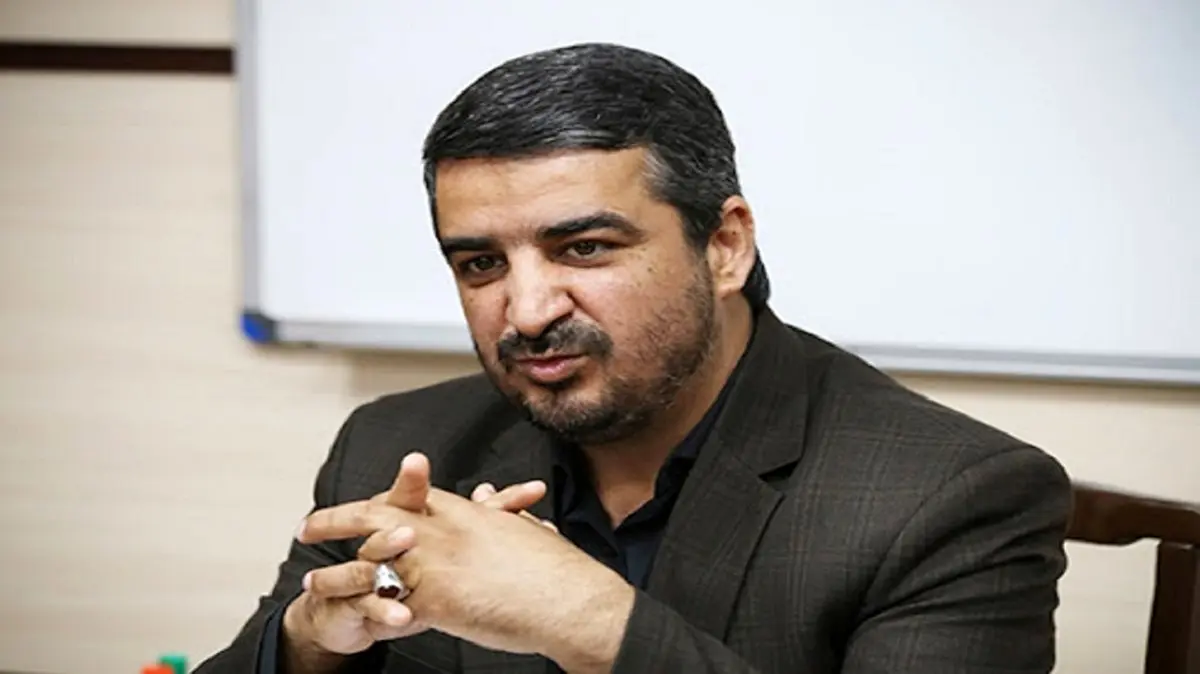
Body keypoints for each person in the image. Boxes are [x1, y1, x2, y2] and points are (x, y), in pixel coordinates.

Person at [195, 42, 1073, 673]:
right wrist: (311, 645)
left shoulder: (949, 498)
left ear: (724, 246)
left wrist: (595, 624)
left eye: (583, 249)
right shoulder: (402, 443)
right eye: (481, 264)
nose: (527, 312)